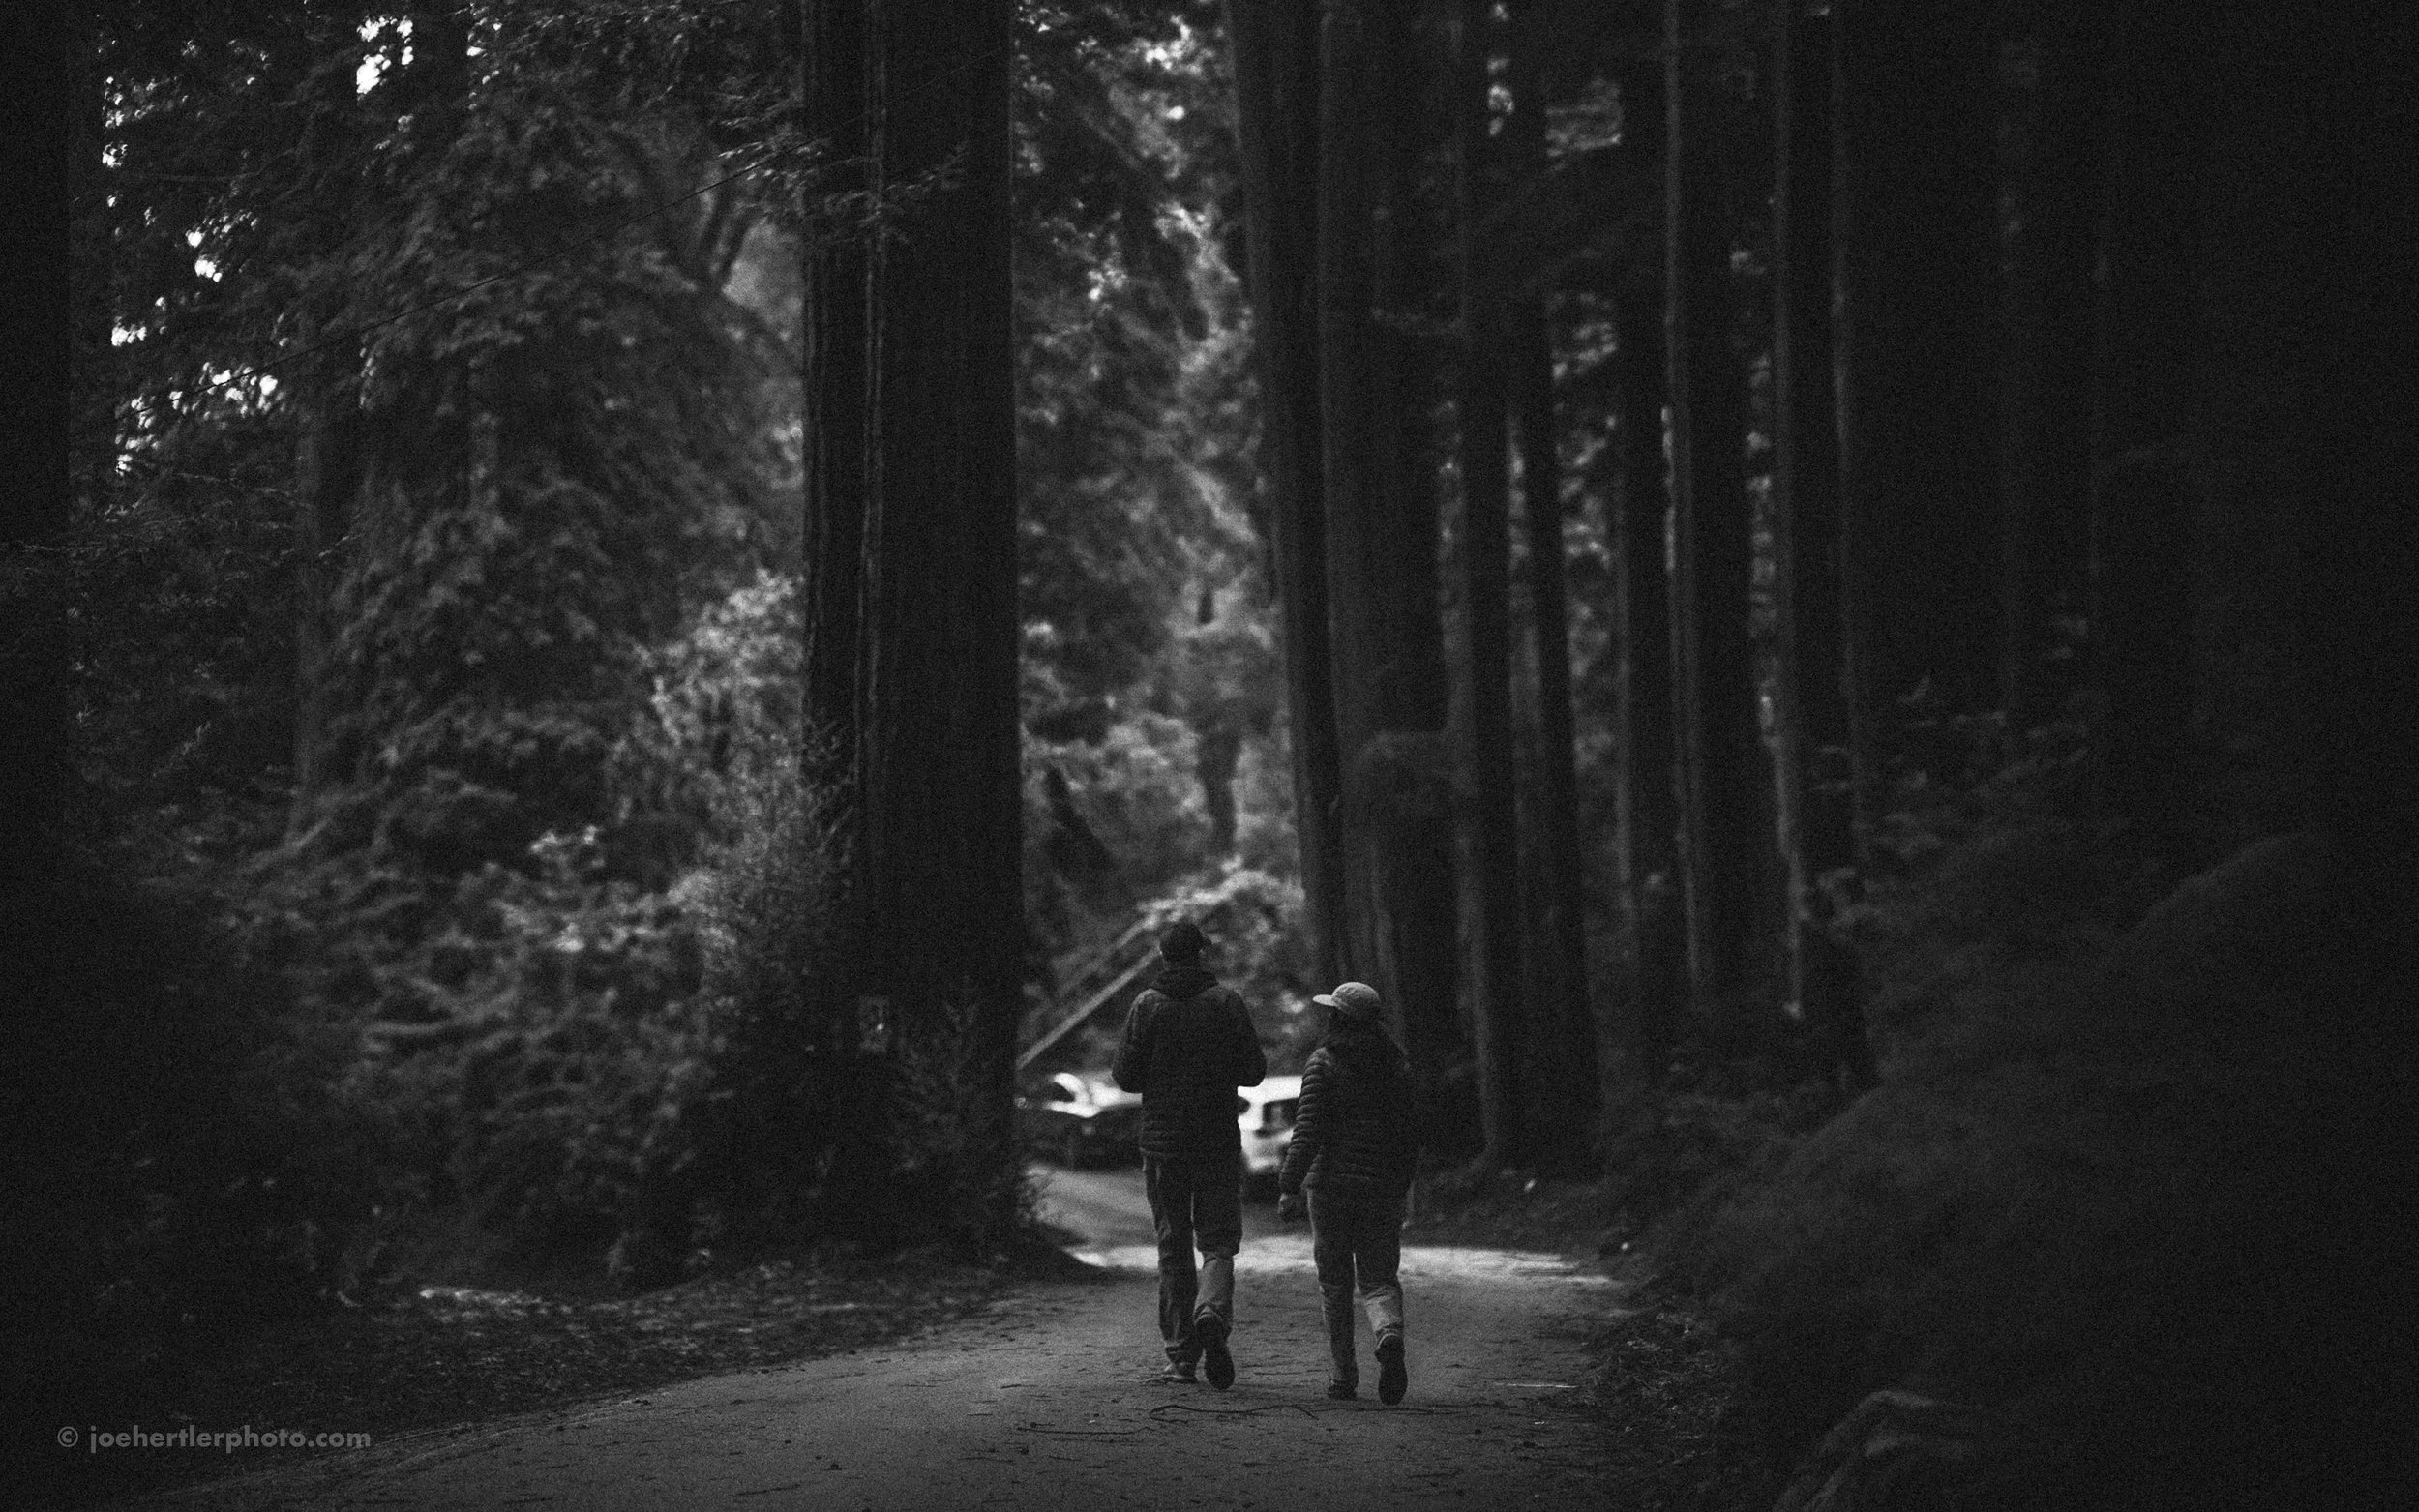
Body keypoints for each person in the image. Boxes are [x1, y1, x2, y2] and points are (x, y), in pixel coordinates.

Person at [1111, 919, 1268, 1388]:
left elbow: (1125, 1076)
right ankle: (1211, 1311)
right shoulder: (1225, 1002)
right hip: (1216, 1141)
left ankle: (1181, 1357)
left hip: (1163, 1144)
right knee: (1218, 1241)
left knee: (1173, 1243)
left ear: (1163, 956)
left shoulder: (1146, 1005)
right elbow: (1254, 1072)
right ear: (1201, 954)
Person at [1275, 980, 1418, 1404]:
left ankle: (1343, 1377)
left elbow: (1308, 1130)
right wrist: (1402, 1184)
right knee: (1379, 1278)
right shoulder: (1396, 1066)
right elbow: (1409, 1133)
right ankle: (1388, 1333)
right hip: (1382, 1188)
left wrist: (1289, 1185)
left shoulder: (1323, 1062)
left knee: (1335, 1285)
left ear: (1339, 1017)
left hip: (1331, 1188)